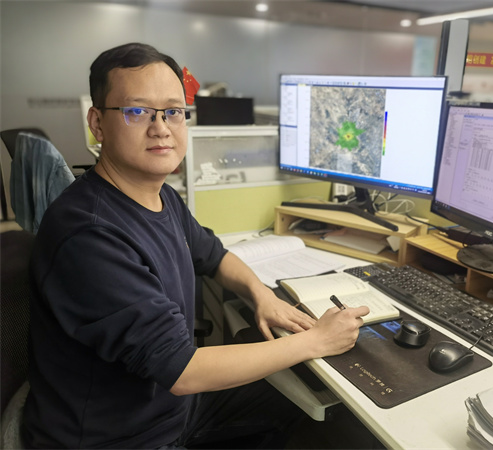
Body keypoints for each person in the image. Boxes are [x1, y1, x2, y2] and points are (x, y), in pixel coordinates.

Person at [23, 42, 369, 449]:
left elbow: (214, 256)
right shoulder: (88, 233)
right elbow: (183, 371)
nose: (161, 128)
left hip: (169, 410)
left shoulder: (160, 196)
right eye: (137, 111)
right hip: (120, 438)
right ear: (97, 124)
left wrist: (261, 295)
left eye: (173, 111)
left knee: (311, 405)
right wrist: (315, 341)